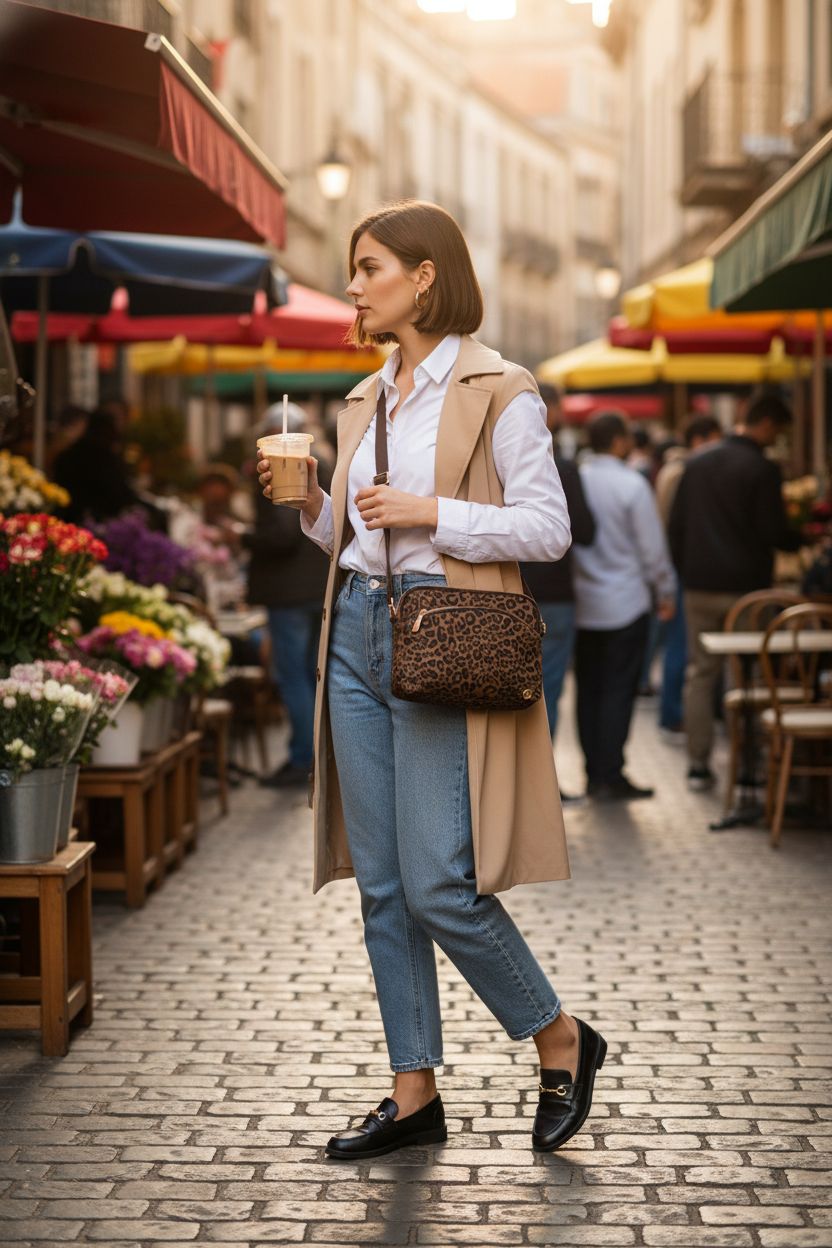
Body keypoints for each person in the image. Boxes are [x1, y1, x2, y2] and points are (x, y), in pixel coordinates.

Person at [256, 201, 607, 1159]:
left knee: (440, 884)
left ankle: (560, 1037)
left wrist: (430, 510)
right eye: (353, 269)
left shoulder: (501, 387)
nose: (355, 285)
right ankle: (414, 1094)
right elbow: (358, 539)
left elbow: (546, 528)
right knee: (382, 885)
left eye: (369, 268)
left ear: (424, 276)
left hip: (441, 634)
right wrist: (315, 504)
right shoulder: (366, 395)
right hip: (358, 633)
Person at [668, 391, 800, 791]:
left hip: (700, 585)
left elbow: (676, 528)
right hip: (747, 589)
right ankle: (748, 764)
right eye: (775, 431)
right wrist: (798, 540)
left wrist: (686, 572)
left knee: (701, 673)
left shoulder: (698, 463)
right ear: (765, 425)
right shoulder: (761, 468)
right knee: (750, 674)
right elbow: (772, 531)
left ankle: (698, 764)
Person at [572, 411, 676, 801]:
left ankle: (592, 773)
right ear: (618, 441)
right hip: (627, 601)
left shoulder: (578, 478)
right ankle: (611, 773)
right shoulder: (631, 484)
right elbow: (652, 549)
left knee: (588, 690)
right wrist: (664, 591)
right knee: (618, 689)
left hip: (584, 602)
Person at [249, 402, 333, 788]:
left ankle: (303, 756)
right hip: (316, 585)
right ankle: (315, 753)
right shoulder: (329, 461)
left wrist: (245, 537)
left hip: (289, 590)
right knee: (312, 674)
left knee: (294, 676)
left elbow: (284, 532)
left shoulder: (292, 463)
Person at [519, 383, 595, 800]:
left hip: (508, 595)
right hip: (556, 596)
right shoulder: (562, 466)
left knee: (508, 688)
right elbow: (584, 530)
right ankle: (541, 783)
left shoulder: (494, 460)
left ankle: (513, 782)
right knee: (548, 687)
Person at [654, 416, 723, 741]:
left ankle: (673, 714)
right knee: (681, 648)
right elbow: (671, 524)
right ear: (702, 438)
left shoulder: (678, 470)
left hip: (680, 567)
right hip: (682, 569)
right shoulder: (683, 472)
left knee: (682, 648)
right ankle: (671, 713)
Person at [53, 408, 141, 524]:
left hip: (69, 518)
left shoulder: (69, 454)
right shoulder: (105, 458)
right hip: (99, 522)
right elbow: (120, 495)